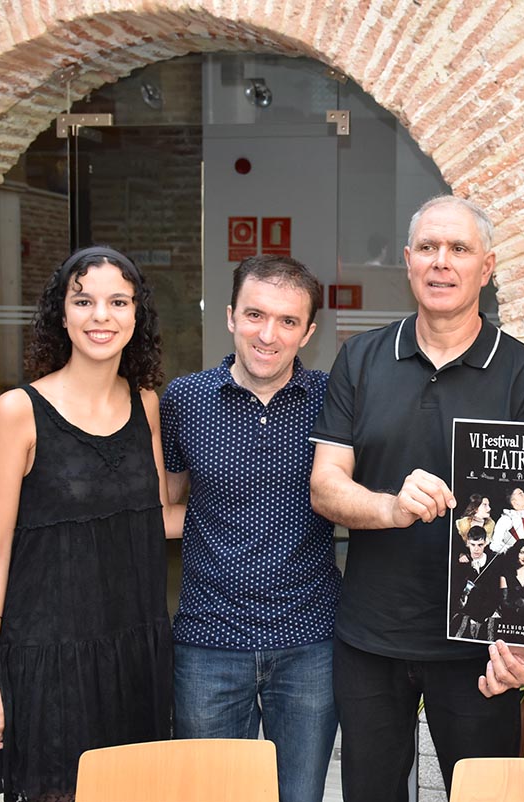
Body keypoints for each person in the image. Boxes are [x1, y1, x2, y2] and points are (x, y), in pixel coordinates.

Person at [308, 195, 524, 801]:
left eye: (459, 249)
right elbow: (325, 486)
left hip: (479, 644)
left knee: (483, 796)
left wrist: (522, 642)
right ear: (408, 261)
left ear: (487, 267)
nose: (442, 263)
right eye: (428, 248)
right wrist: (391, 507)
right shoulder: (361, 359)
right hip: (371, 636)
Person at [0, 246, 174, 801]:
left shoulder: (147, 405)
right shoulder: (18, 411)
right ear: (61, 314)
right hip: (48, 660)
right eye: (83, 301)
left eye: (117, 302)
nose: (100, 316)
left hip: (133, 654)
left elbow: (154, 518)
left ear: (137, 316)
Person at [159, 254, 341, 802]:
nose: (269, 334)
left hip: (309, 642)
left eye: (288, 321)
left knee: (300, 797)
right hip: (207, 642)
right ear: (230, 317)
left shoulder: (333, 400)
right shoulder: (184, 400)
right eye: (255, 315)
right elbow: (165, 508)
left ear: (309, 331)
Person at [450, 526, 503, 641]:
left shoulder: (494, 562)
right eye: (473, 545)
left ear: (486, 543)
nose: (476, 549)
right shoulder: (462, 563)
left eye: (480, 545)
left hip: (488, 611)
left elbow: (495, 594)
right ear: (467, 543)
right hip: (467, 611)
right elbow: (456, 594)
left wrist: (481, 617)